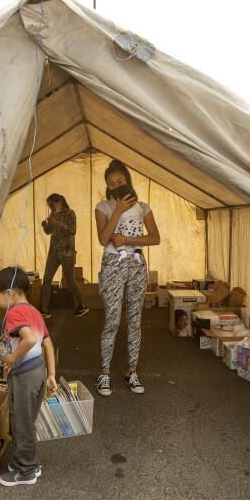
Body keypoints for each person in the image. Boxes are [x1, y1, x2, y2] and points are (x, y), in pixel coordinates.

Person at [94, 160, 161, 397]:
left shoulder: (143, 207)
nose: (115, 186)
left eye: (120, 181)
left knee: (135, 320)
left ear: (128, 181)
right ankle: (104, 374)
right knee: (112, 320)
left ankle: (132, 371)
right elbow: (103, 239)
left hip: (137, 264)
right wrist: (119, 210)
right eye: (111, 183)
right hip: (113, 264)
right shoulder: (102, 206)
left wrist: (129, 241)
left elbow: (155, 238)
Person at [0, 266, 57, 487]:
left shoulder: (14, 313)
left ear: (10, 294)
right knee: (26, 421)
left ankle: (26, 472)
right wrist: (52, 375)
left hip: (24, 377)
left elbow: (27, 340)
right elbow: (46, 343)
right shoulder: (34, 312)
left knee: (21, 425)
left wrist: (11, 359)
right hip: (39, 373)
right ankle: (26, 462)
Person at [39, 193, 88, 319]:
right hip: (53, 253)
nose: (51, 208)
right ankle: (44, 309)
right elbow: (48, 231)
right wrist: (45, 225)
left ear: (59, 202)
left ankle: (82, 305)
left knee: (70, 281)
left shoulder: (70, 213)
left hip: (67, 253)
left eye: (52, 205)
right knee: (47, 279)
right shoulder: (52, 214)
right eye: (49, 206)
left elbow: (72, 231)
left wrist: (58, 223)